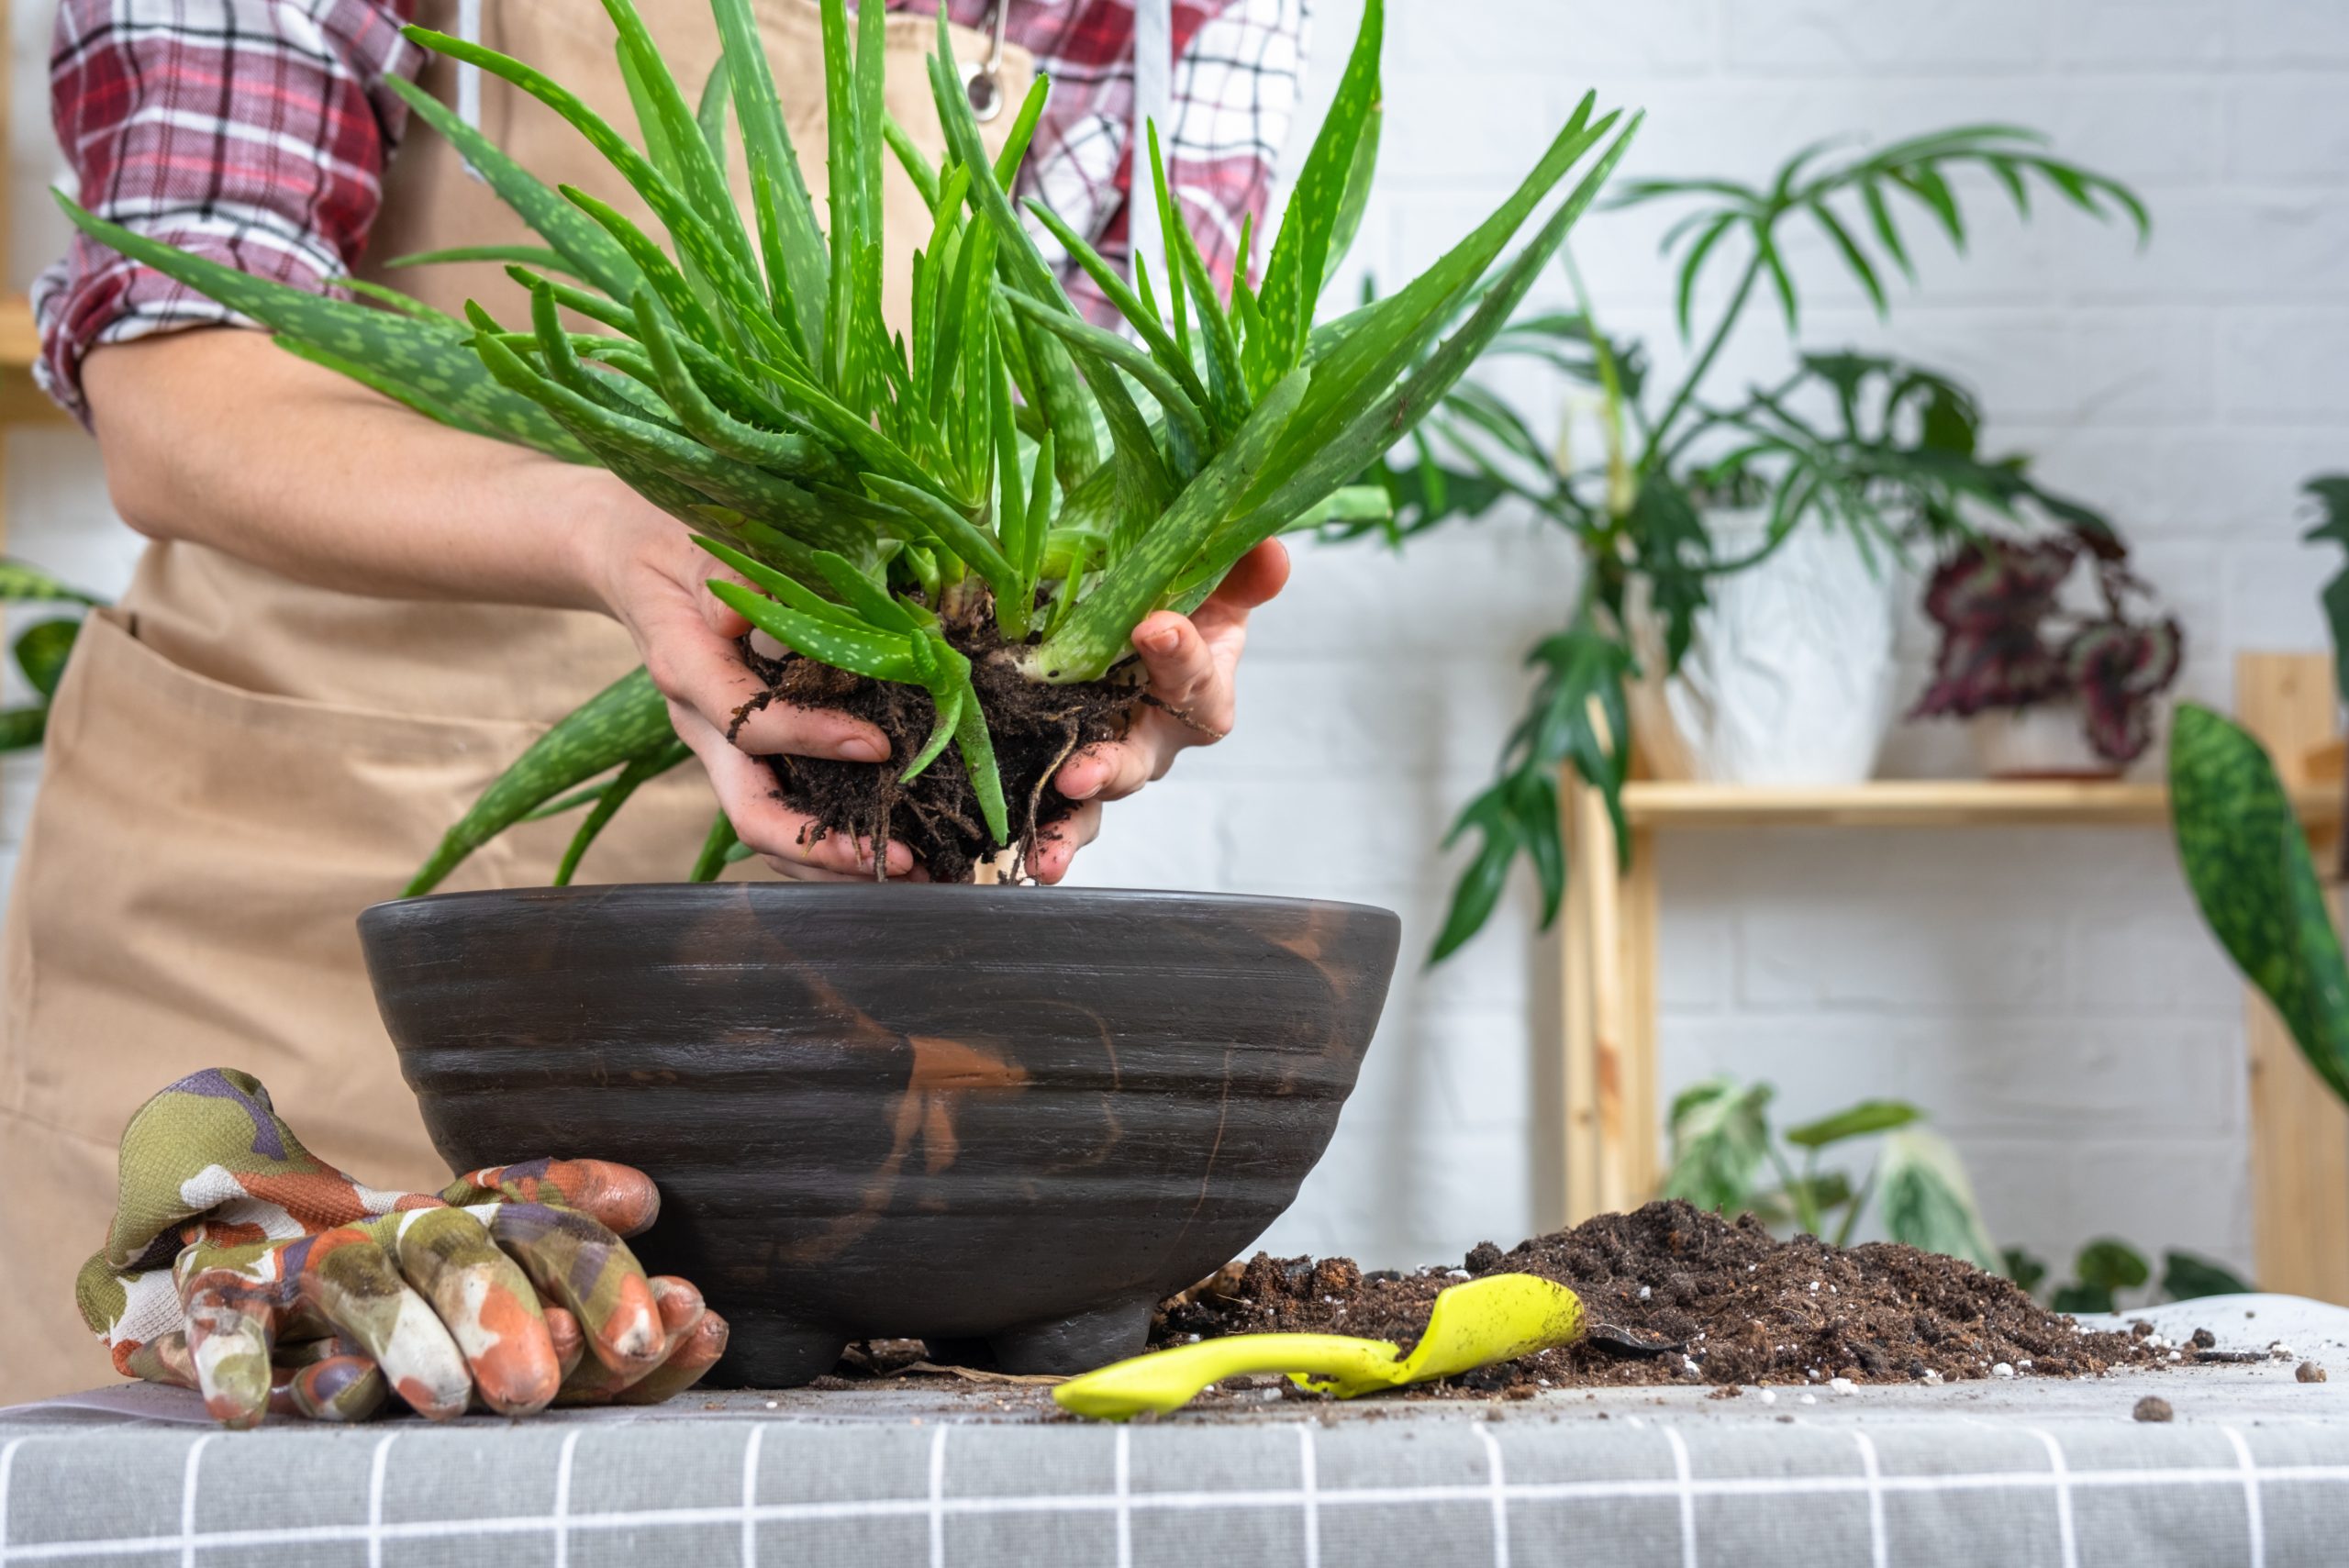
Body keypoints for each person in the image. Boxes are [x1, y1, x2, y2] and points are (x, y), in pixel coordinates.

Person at [0, 0, 1308, 1405]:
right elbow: (181, 374)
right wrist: (603, 532)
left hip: (784, 1076)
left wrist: (1129, 637)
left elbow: (1121, 457)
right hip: (279, 913)